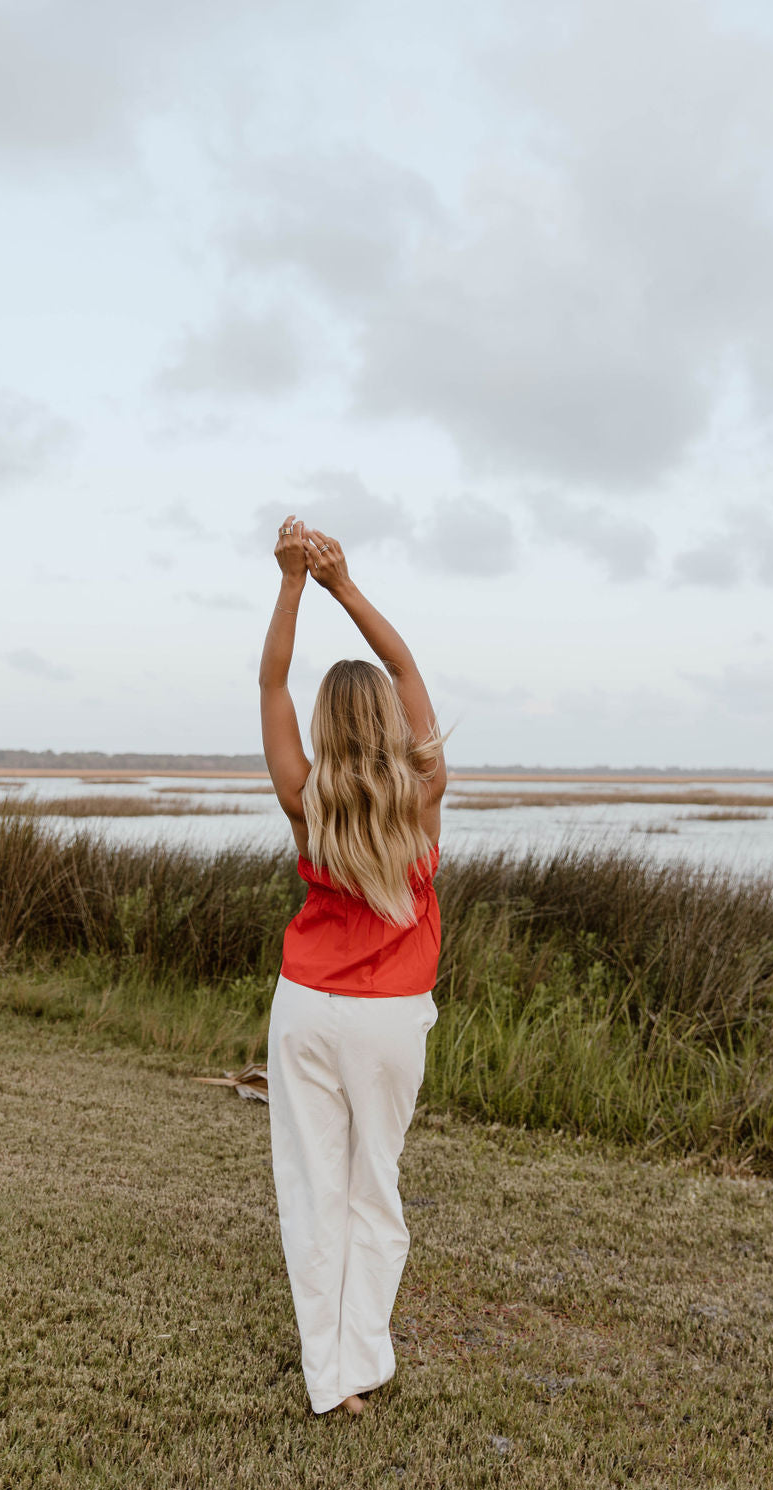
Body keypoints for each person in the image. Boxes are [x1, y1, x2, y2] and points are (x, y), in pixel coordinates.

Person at [259, 516, 447, 1418]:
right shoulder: (422, 790)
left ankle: (331, 1381)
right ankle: (359, 1363)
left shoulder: (306, 796)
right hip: (389, 1015)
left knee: (313, 1189)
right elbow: (407, 668)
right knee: (376, 1187)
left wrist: (292, 580)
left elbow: (271, 681)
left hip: (306, 1008)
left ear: (332, 729)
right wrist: (343, 583)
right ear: (387, 721)